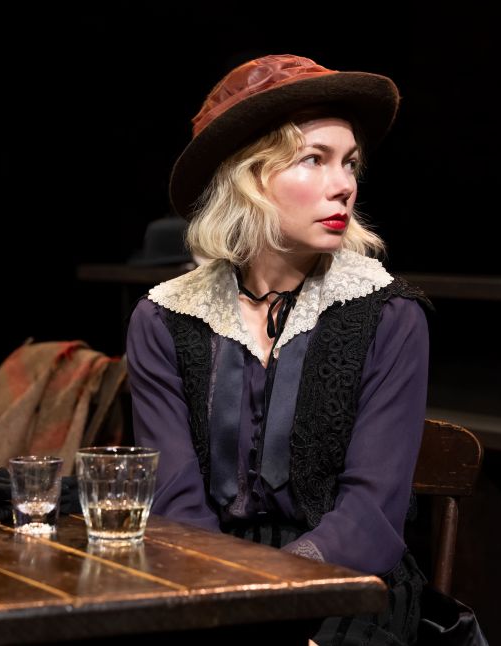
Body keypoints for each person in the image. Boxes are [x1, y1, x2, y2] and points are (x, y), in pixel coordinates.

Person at [126, 54, 431, 645]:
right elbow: (172, 503)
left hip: (349, 581)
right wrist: (232, 595)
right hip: (203, 575)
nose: (343, 184)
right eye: (313, 160)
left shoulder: (390, 316)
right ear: (246, 178)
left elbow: (371, 515)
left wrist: (274, 596)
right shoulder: (164, 318)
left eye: (349, 163)